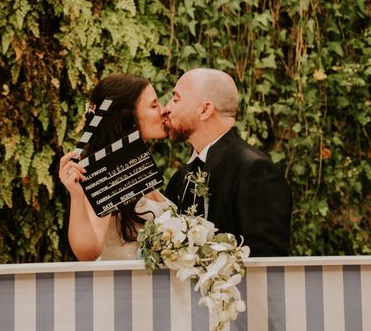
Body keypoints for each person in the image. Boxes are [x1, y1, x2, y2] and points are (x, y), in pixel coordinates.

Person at [163, 68, 291, 257]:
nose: (167, 108)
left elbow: (267, 265)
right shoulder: (179, 179)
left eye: (176, 99)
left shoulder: (254, 171)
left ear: (205, 109)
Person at [59, 74, 172, 261]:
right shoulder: (110, 169)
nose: (163, 110)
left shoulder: (134, 166)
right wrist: (77, 196)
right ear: (128, 117)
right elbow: (88, 252)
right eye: (153, 105)